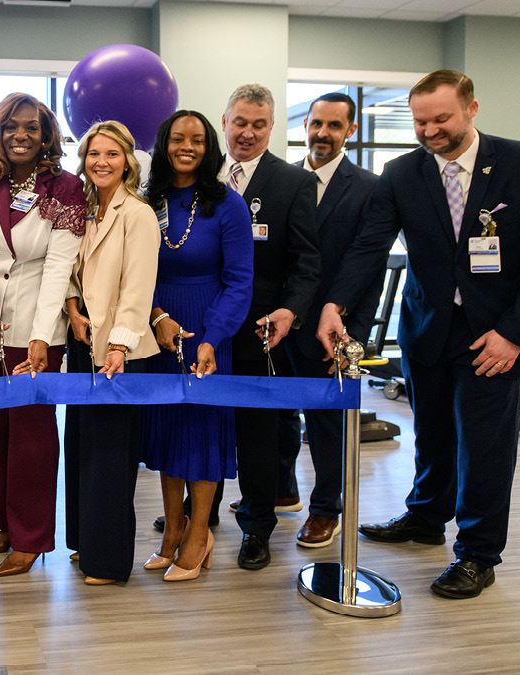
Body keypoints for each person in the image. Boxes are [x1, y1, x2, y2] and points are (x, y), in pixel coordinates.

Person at [318, 70, 520, 598]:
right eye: (420, 121)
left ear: (472, 109)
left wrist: (512, 333)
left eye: (442, 119)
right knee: (432, 432)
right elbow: (370, 246)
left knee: (484, 447)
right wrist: (334, 303)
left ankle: (478, 554)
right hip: (428, 328)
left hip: (495, 335)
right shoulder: (402, 172)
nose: (430, 130)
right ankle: (425, 516)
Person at [0, 93, 86, 577]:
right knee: (0, 425)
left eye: (31, 127)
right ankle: (8, 524)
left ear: (46, 135)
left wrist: (40, 337)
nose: (21, 135)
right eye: (11, 126)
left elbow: (59, 266)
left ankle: (32, 538)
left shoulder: (67, 188)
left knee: (32, 431)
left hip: (39, 323)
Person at [140, 110, 254, 581]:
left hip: (211, 330)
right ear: (164, 144)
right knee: (168, 433)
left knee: (203, 434)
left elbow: (240, 281)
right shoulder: (147, 201)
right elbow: (132, 271)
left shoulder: (227, 204)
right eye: (178, 139)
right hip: (159, 327)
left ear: (210, 148)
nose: (187, 147)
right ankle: (172, 532)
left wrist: (213, 337)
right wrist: (157, 317)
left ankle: (199, 533)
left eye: (199, 140)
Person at [220, 83, 320, 571]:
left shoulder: (292, 183)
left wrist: (291, 310)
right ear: (225, 122)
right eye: (240, 122)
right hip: (200, 327)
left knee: (257, 435)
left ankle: (257, 526)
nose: (248, 132)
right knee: (202, 422)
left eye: (259, 124)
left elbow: (306, 261)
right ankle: (199, 512)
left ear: (272, 127)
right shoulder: (198, 178)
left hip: (261, 331)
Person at [277, 92, 384, 548]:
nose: (323, 133)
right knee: (275, 414)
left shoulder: (368, 188)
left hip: (332, 324)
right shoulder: (281, 180)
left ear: (350, 131)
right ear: (305, 125)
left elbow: (369, 260)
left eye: (334, 126)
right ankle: (281, 491)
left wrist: (348, 322)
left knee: (326, 423)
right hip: (280, 321)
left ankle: (326, 508)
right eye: (317, 123)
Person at [64, 121, 159, 585]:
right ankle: (85, 543)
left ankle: (109, 561)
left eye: (112, 154)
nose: (101, 162)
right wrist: (72, 310)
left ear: (128, 161)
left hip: (121, 351)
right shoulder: (82, 208)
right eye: (93, 153)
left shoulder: (137, 214)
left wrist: (118, 343)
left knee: (111, 457)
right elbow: (68, 269)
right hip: (83, 343)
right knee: (82, 446)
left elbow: (138, 290)